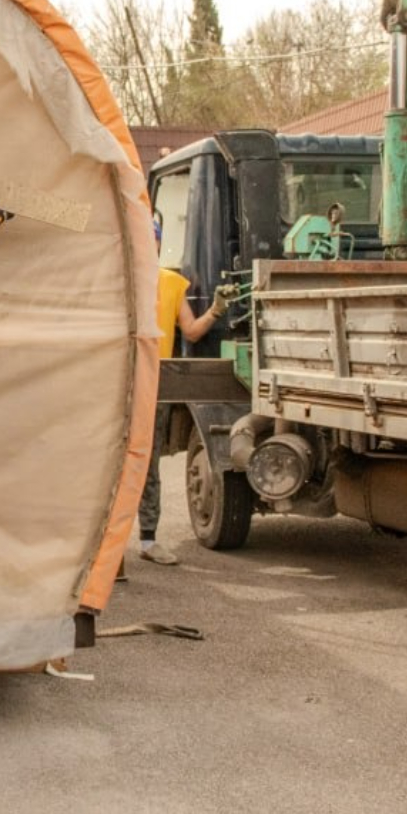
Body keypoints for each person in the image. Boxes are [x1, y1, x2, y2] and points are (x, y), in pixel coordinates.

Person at [137, 211, 231, 565]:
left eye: (154, 239)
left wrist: (217, 310)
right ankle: (104, 549)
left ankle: (147, 541)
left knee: (148, 465)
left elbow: (190, 332)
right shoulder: (119, 280)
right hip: (121, 385)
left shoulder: (172, 284)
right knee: (112, 464)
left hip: (158, 386)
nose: (151, 244)